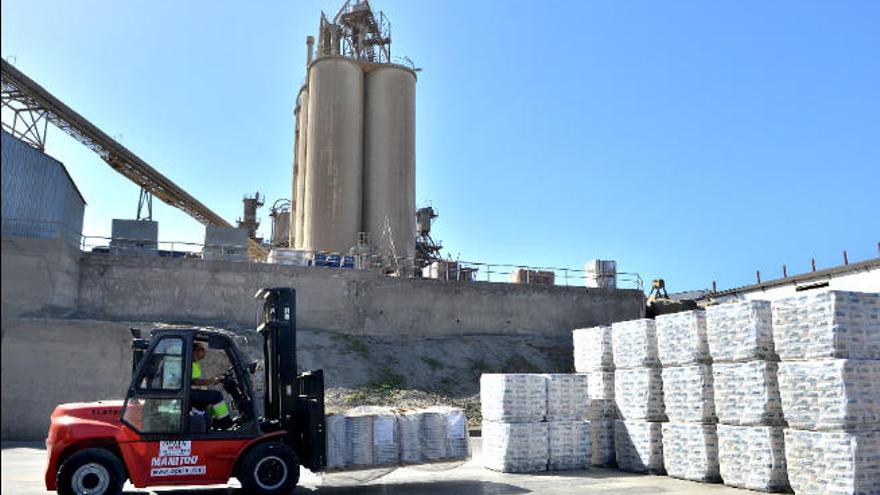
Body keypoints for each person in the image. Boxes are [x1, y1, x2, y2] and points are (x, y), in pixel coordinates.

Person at [190, 342, 233, 430]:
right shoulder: (190, 363)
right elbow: (194, 381)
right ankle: (226, 423)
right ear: (194, 351)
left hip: (192, 393)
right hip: (190, 394)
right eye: (201, 349)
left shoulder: (195, 363)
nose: (204, 351)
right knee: (216, 396)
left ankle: (215, 423)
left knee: (210, 401)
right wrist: (210, 381)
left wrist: (212, 381)